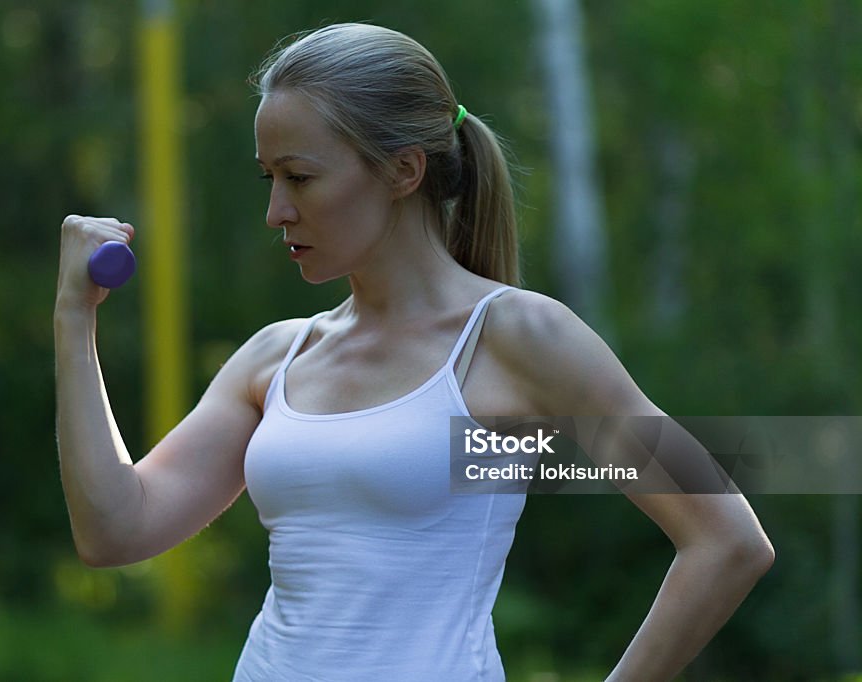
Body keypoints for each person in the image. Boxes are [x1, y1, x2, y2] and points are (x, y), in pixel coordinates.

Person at [54, 23, 774, 681]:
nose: (276, 210)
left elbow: (726, 539)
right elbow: (116, 529)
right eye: (267, 178)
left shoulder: (519, 339)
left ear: (403, 172)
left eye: (299, 177)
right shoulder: (277, 357)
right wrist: (73, 318)